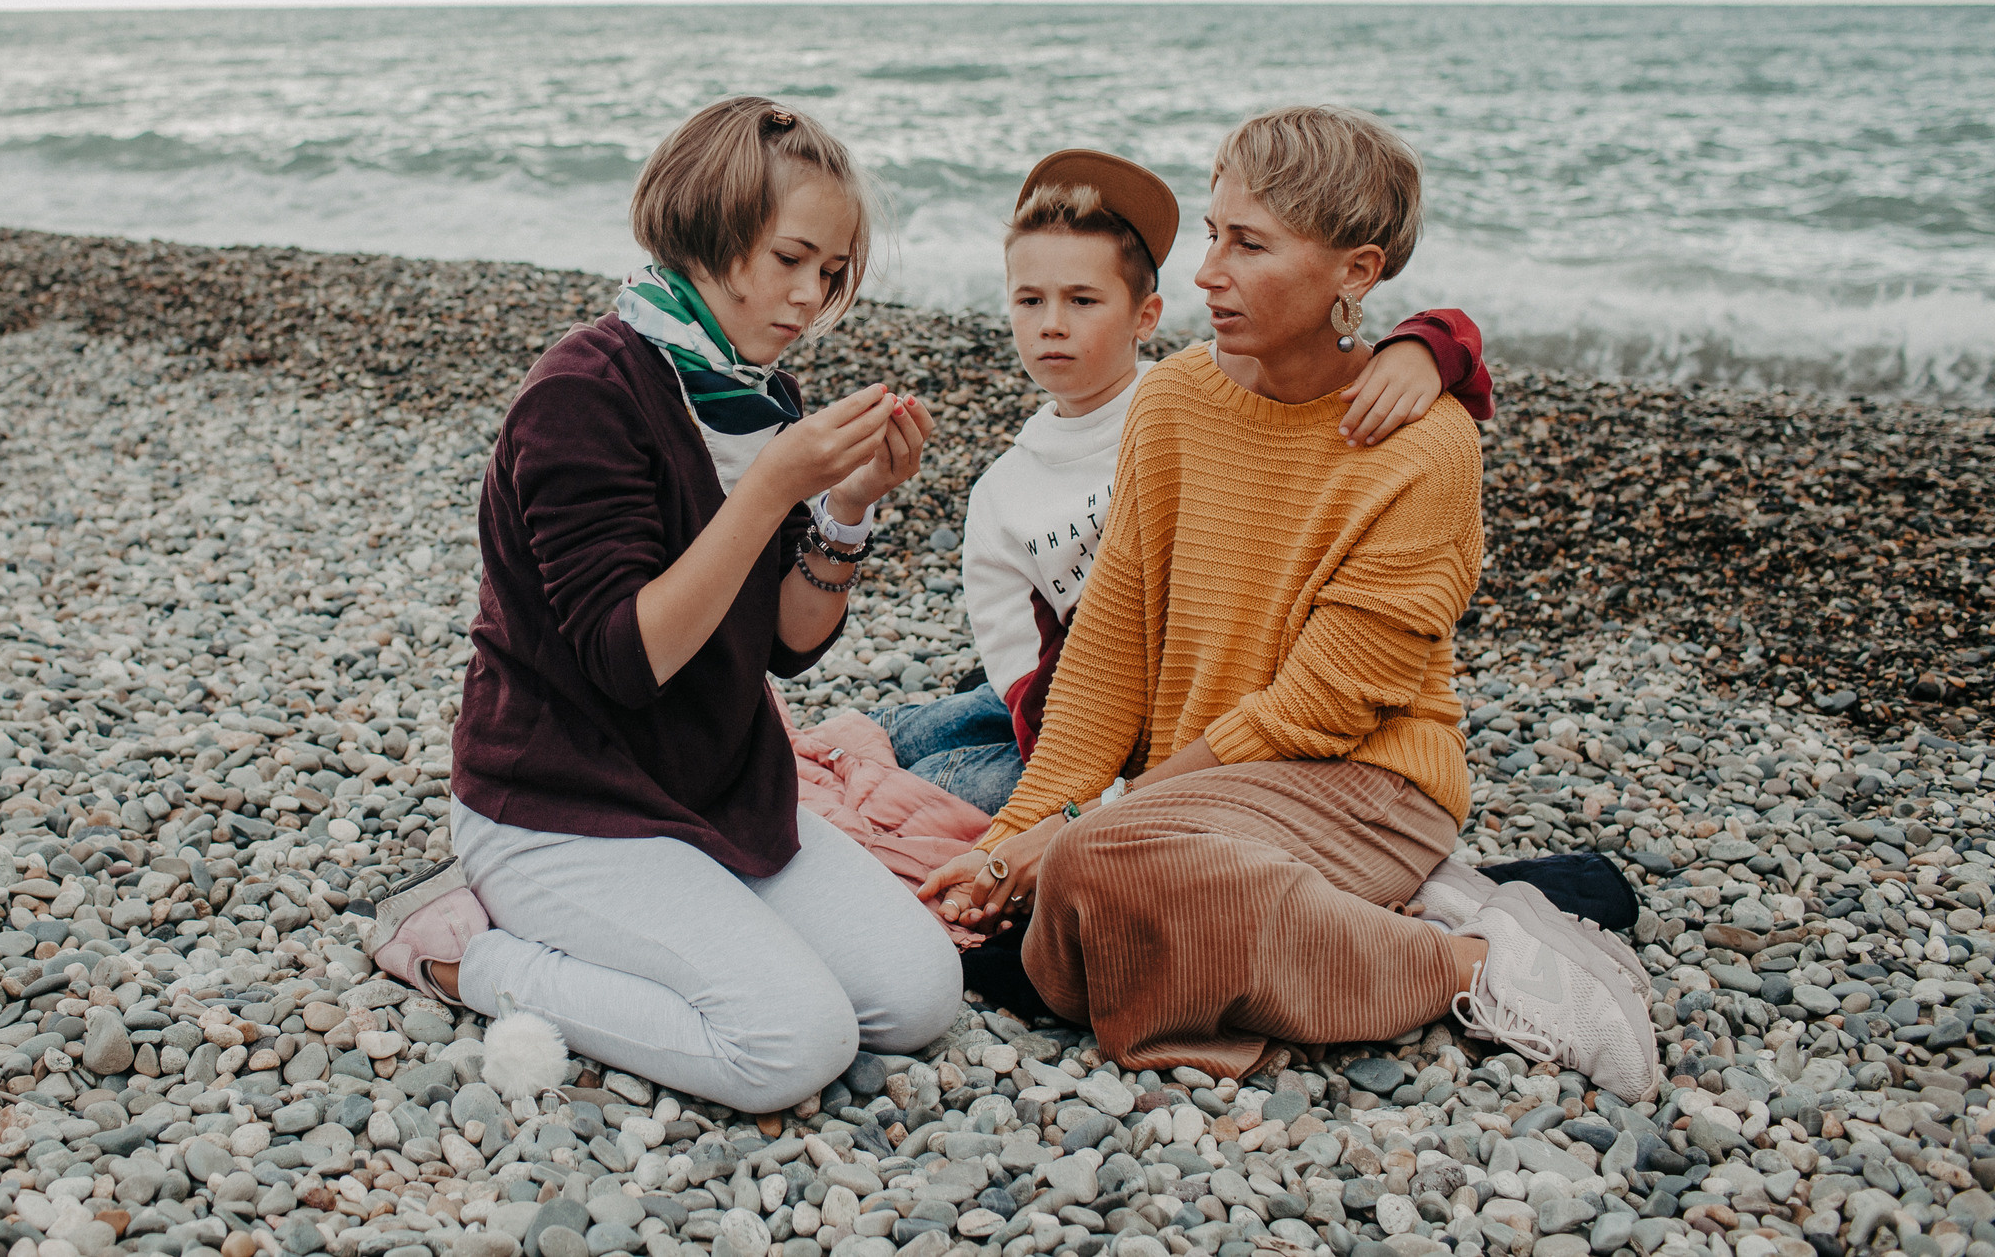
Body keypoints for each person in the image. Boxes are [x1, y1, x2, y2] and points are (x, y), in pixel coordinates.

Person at [917, 104, 1657, 1098]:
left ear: (1354, 271)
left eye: (1247, 244)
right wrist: (1012, 841)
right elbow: (1108, 655)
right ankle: (1369, 916)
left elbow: (1323, 709)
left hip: (1361, 780)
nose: (1205, 272)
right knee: (1052, 883)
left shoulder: (1425, 445)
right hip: (1198, 793)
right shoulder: (1174, 401)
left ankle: (1476, 965)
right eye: (1213, 233)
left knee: (1093, 876)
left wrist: (1084, 828)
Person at [366, 96, 962, 1113]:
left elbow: (786, 643)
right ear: (708, 229)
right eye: (791, 259)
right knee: (788, 1046)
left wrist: (849, 507)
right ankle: (463, 952)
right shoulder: (583, 394)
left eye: (830, 274)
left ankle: (678, 922)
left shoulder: (748, 397)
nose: (809, 300)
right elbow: (624, 658)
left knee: (916, 999)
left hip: (716, 785)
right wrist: (778, 482)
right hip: (562, 803)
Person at [874, 147, 1493, 816]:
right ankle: (882, 730)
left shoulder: (1186, 397)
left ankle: (887, 735)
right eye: (1030, 300)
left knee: (938, 774)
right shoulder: (1019, 483)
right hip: (1075, 697)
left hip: (1199, 705)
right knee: (952, 736)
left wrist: (1431, 342)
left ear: (1146, 318)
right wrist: (1064, 794)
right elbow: (1042, 678)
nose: (1053, 323)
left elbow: (1326, 362)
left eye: (1083, 299)